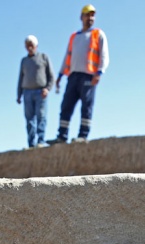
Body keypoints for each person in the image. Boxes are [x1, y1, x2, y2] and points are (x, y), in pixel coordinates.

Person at [48, 4, 109, 144]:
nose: (90, 18)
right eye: (88, 15)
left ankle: (83, 135)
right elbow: (67, 56)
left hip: (88, 76)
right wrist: (60, 75)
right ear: (81, 17)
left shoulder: (98, 34)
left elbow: (104, 55)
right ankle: (61, 136)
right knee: (66, 106)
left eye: (93, 15)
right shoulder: (74, 37)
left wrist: (99, 72)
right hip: (73, 76)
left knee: (86, 106)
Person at [17, 35, 55, 148]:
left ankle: (41, 141)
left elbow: (51, 76)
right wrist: (19, 95)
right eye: (27, 45)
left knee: (41, 117)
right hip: (27, 92)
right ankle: (31, 144)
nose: (29, 48)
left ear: (36, 46)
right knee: (29, 120)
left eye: (31, 45)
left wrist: (47, 89)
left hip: (40, 92)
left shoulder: (44, 57)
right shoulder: (24, 61)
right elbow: (20, 78)